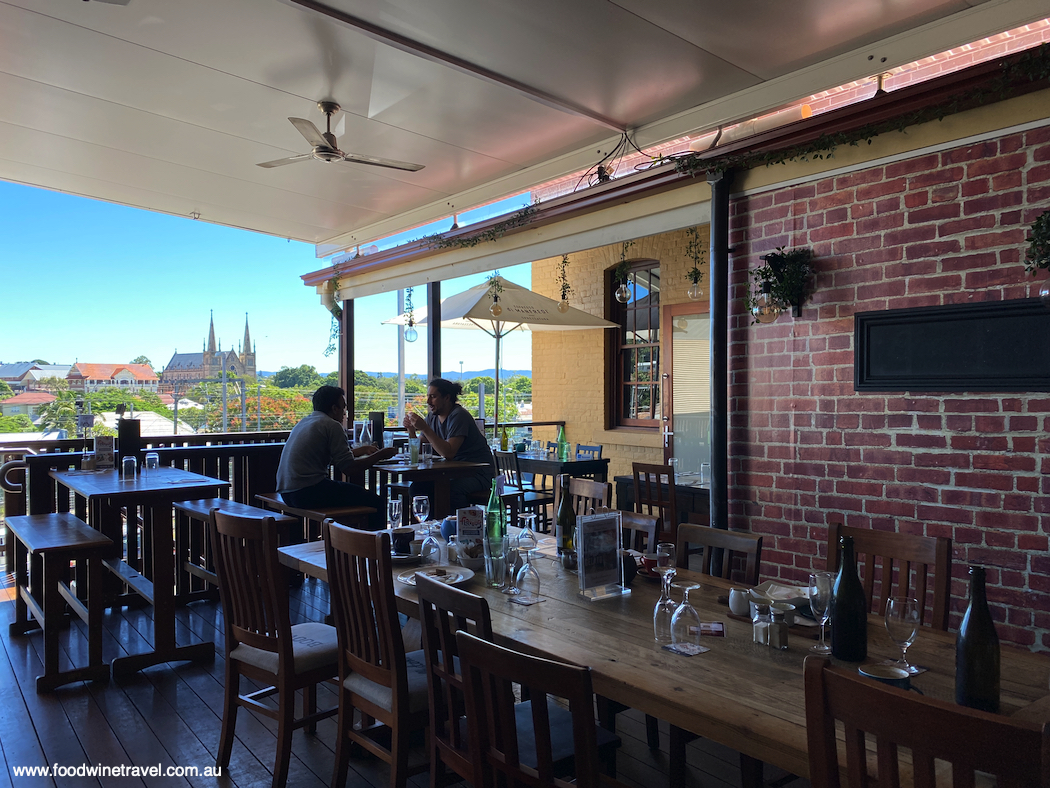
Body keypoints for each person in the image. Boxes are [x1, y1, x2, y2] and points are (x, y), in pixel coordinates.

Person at [277, 385, 395, 530]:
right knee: (376, 502)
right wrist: (381, 454)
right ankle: (373, 548)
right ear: (334, 408)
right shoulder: (332, 425)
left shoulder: (305, 422)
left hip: (287, 492)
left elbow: (333, 457)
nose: (344, 413)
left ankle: (352, 542)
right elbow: (349, 468)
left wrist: (362, 450)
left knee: (352, 494)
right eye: (343, 408)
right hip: (308, 491)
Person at [403, 378, 494, 511]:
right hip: (454, 472)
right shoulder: (432, 417)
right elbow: (421, 450)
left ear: (447, 398)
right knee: (418, 487)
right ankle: (429, 525)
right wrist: (411, 430)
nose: (428, 402)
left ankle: (457, 527)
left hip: (478, 473)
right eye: (428, 396)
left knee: (450, 490)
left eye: (433, 397)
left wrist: (425, 428)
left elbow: (449, 453)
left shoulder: (459, 416)